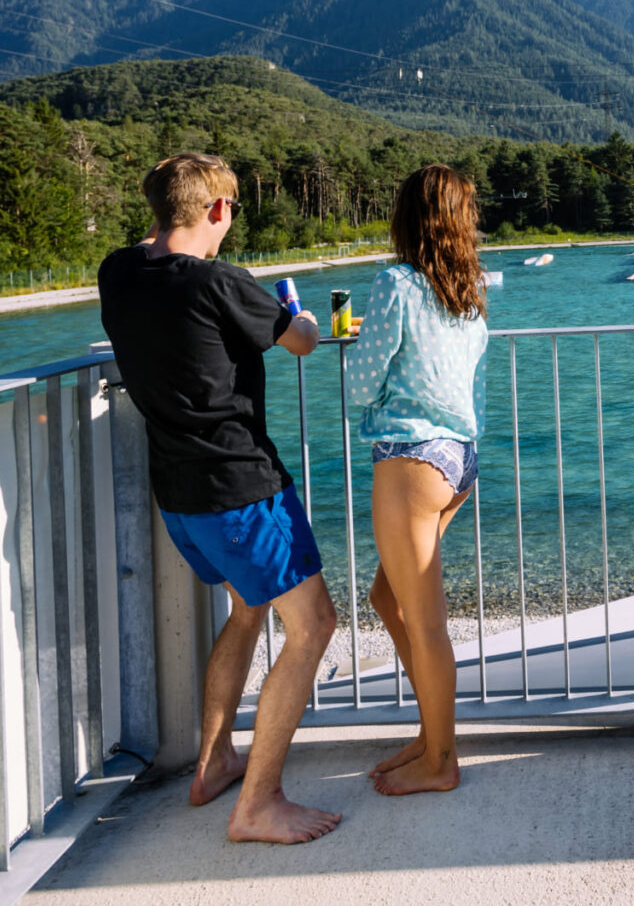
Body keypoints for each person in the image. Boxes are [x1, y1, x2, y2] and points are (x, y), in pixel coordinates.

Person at [97, 153, 341, 845]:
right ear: (216, 211)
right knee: (315, 625)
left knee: (247, 608)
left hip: (177, 495)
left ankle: (213, 764)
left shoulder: (117, 271)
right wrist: (292, 311)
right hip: (240, 487)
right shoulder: (220, 282)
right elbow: (301, 342)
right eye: (230, 208)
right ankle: (258, 804)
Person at [348, 165, 489, 796]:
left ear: (407, 217)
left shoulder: (396, 285)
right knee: (389, 601)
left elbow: (361, 385)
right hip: (458, 459)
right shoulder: (467, 294)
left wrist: (351, 345)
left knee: (426, 623)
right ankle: (433, 734)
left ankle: (442, 763)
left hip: (410, 459)